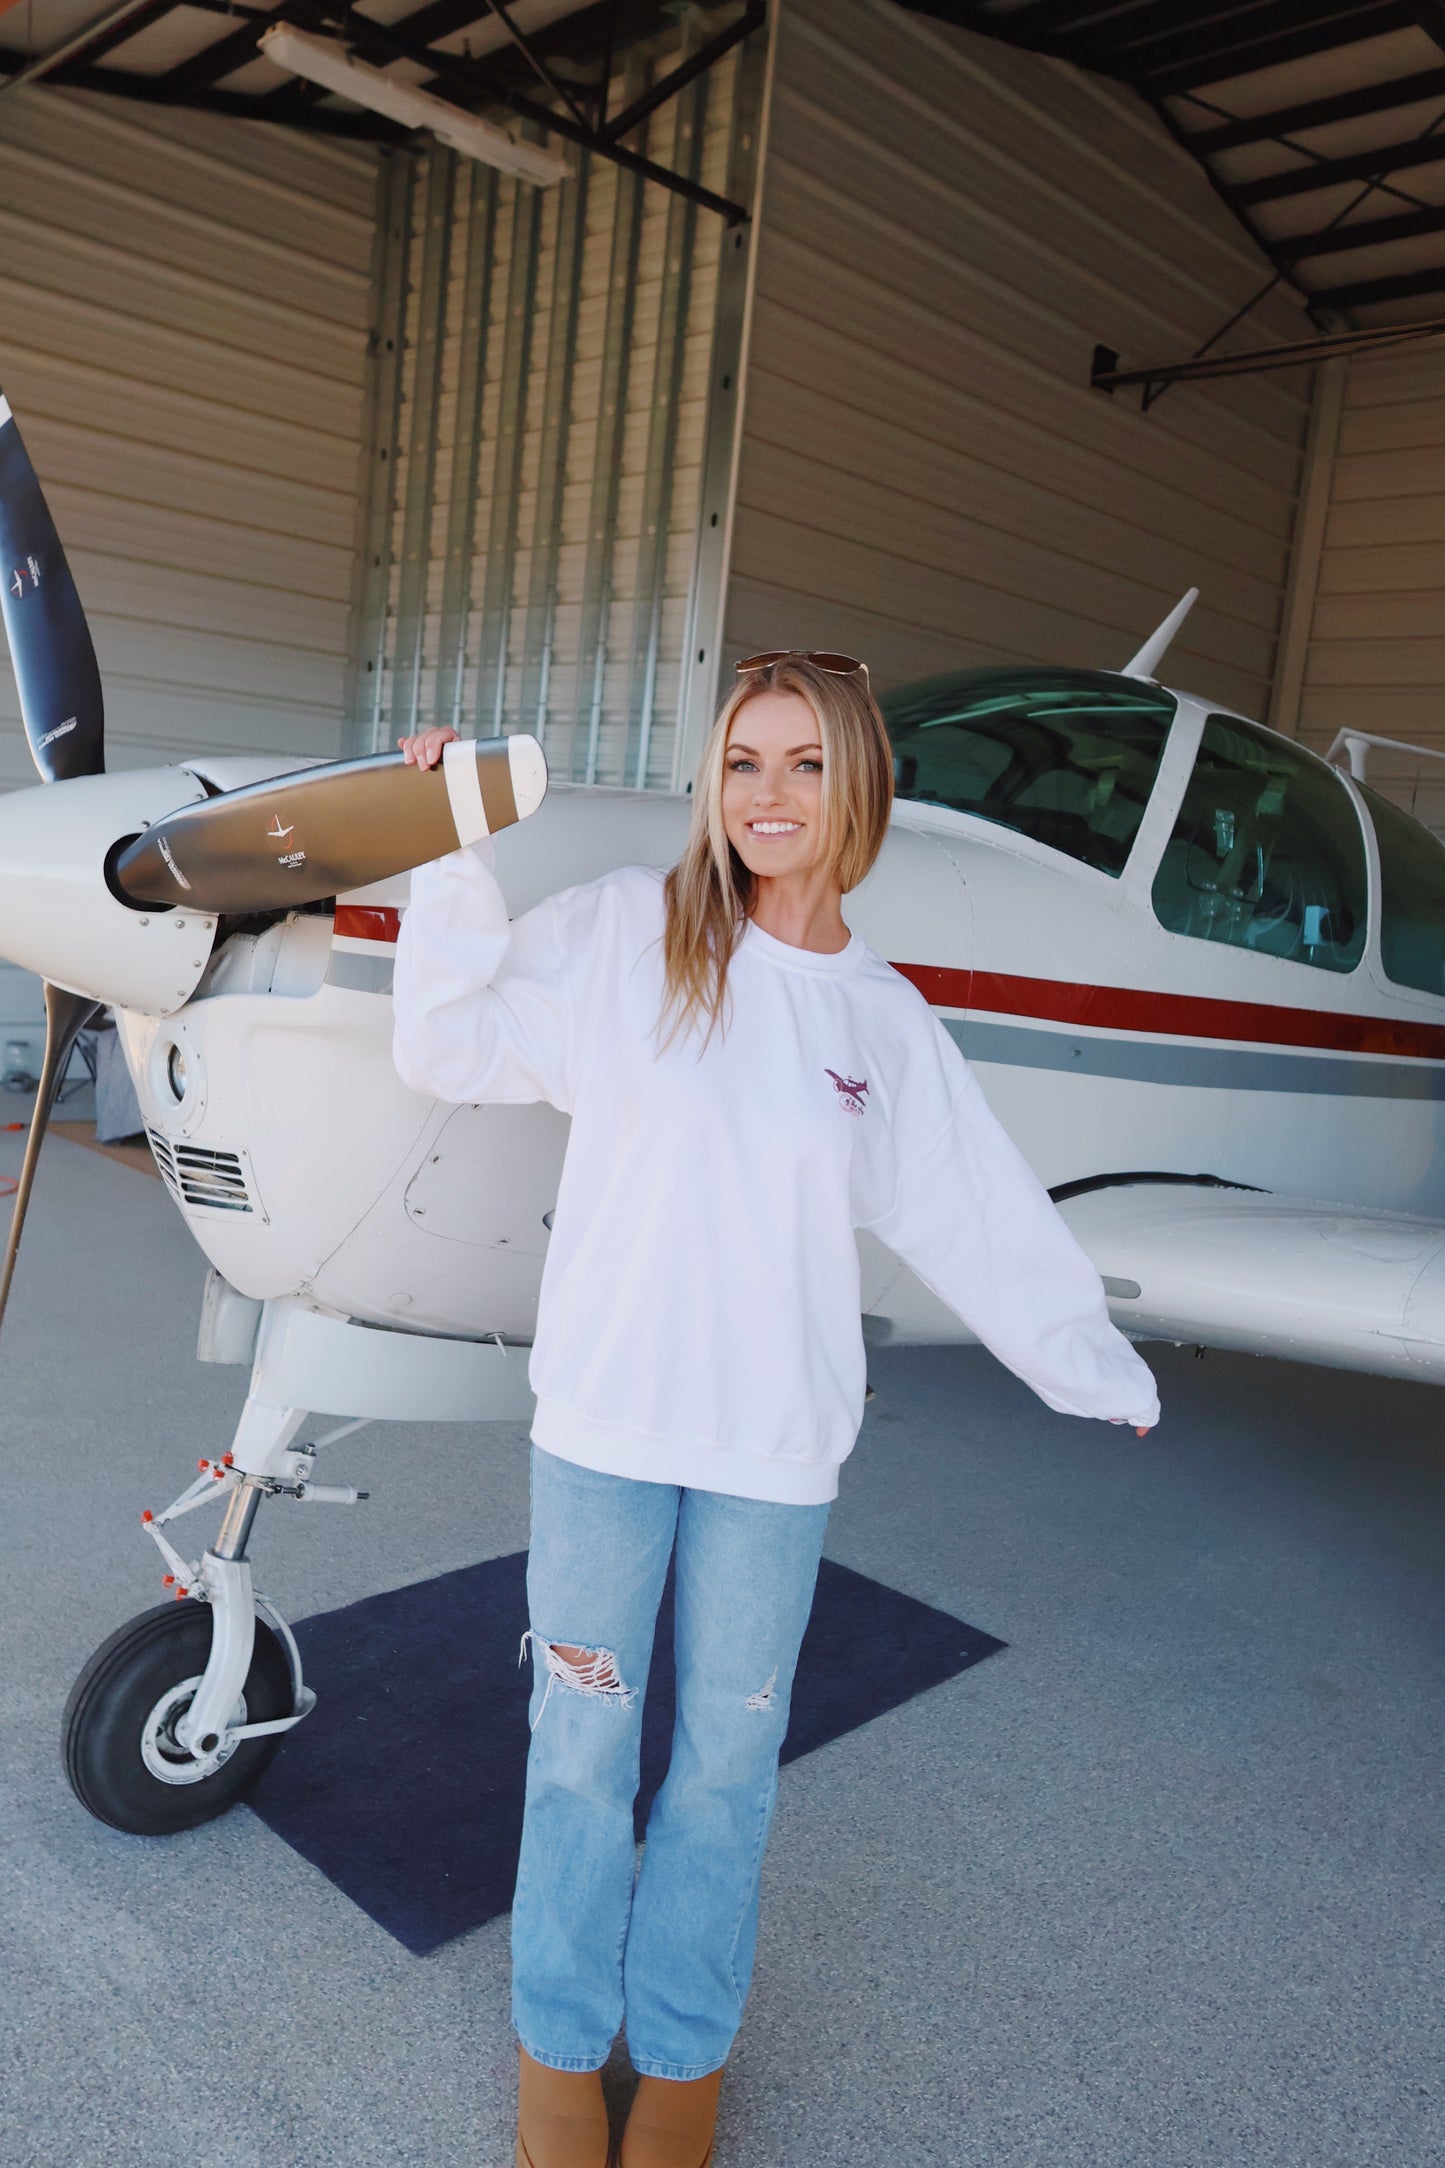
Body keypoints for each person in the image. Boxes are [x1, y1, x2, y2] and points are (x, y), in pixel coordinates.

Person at [391, 653, 1160, 2168]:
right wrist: (451, 848)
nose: (768, 795)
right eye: (744, 762)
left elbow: (973, 1210)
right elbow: (448, 1041)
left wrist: (1087, 1361)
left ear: (856, 784)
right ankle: (560, 2046)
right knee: (579, 1749)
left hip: (773, 1456)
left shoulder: (879, 1019)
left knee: (726, 1775)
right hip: (606, 1431)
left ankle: (678, 2064)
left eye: (805, 764)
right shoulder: (628, 935)